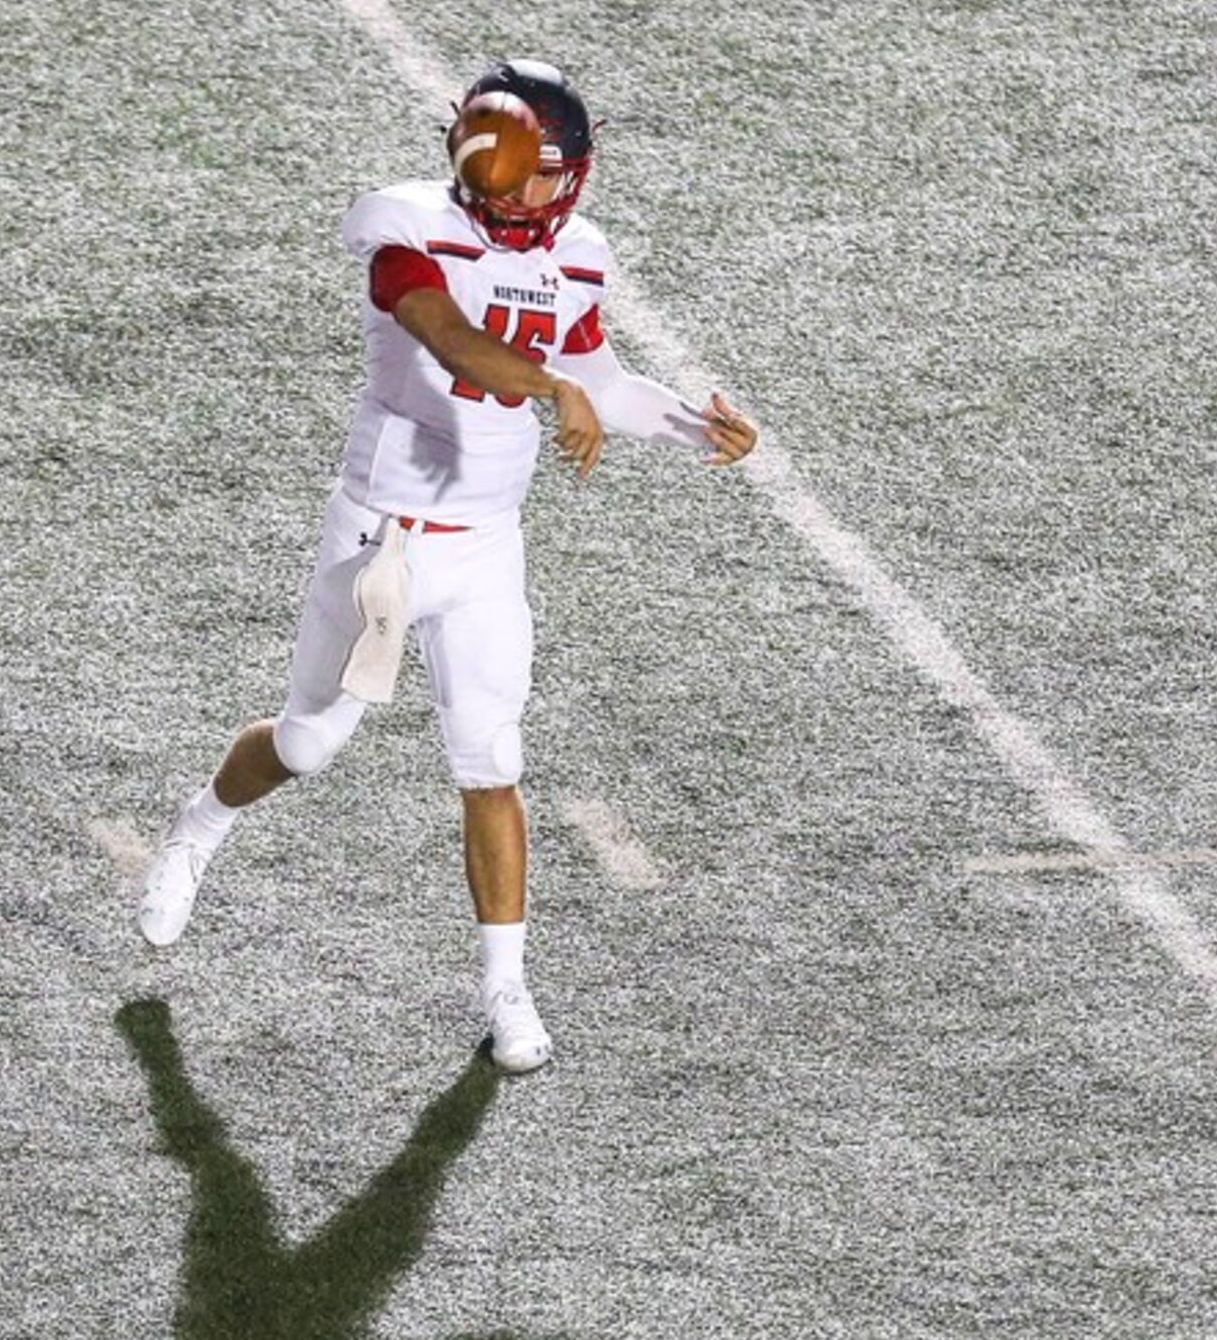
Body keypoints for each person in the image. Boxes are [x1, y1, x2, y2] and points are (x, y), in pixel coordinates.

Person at [137, 60, 756, 1072]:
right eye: (520, 179)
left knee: (490, 762)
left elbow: (598, 377)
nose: (532, 199)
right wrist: (550, 388)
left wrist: (695, 429)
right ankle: (197, 830)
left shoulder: (579, 256)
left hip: (484, 548)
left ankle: (504, 987)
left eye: (544, 179)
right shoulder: (406, 227)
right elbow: (445, 333)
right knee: (307, 744)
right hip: (380, 542)